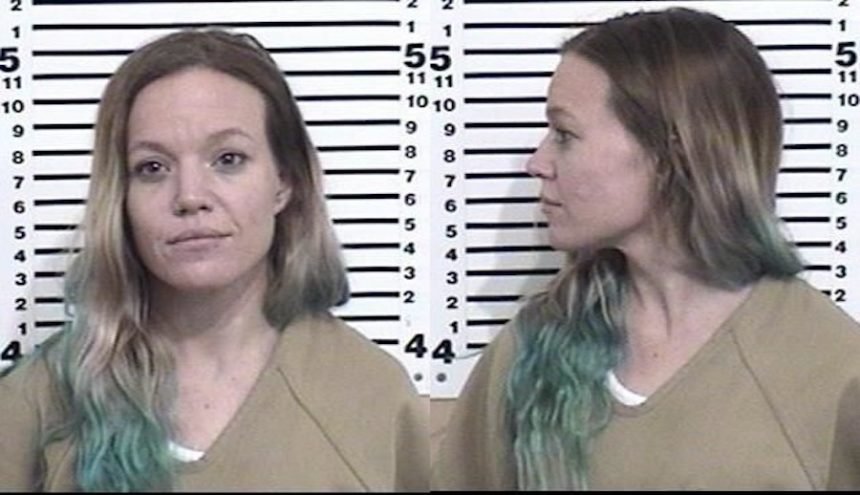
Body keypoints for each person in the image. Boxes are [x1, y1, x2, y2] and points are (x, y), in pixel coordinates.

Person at [432, 7, 860, 490]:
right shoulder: (530, 354)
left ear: (672, 151)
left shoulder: (831, 369)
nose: (538, 162)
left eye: (565, 134)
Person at [0, 29, 428, 491]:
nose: (189, 196)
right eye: (152, 168)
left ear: (285, 182)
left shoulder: (370, 395)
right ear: (120, 197)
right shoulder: (36, 402)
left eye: (228, 159)